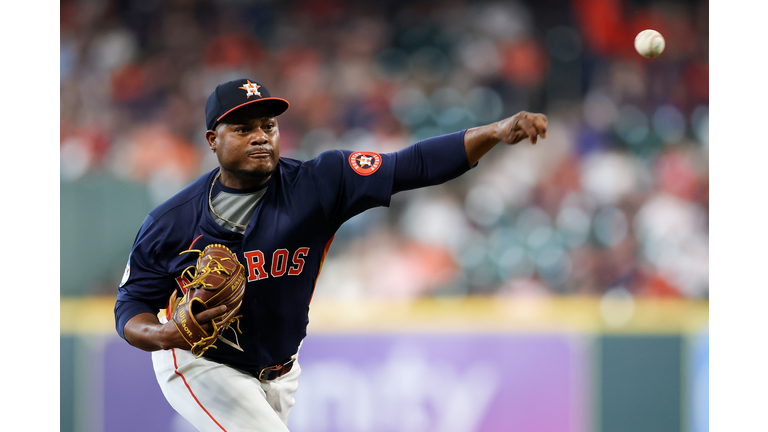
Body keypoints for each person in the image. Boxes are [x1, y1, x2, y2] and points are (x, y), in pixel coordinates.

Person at [114, 78, 547, 432]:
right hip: (199, 363)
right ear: (213, 139)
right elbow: (130, 306)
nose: (261, 137)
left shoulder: (320, 183)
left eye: (267, 126)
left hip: (280, 370)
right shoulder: (171, 222)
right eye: (243, 129)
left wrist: (492, 132)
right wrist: (164, 335)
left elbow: (411, 165)